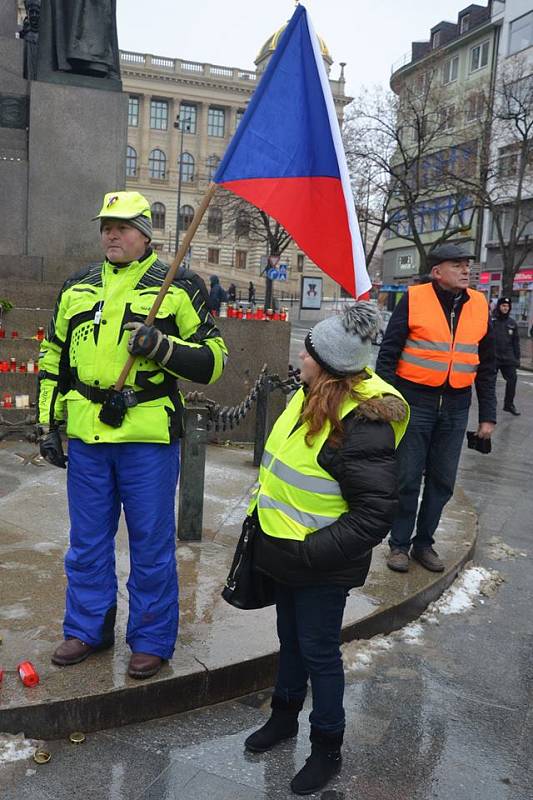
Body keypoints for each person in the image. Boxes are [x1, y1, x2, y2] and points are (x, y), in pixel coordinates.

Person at [38, 191, 227, 679]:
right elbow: (53, 359)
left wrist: (163, 348)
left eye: (122, 226)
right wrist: (48, 423)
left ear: (145, 233)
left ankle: (151, 639)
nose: (111, 234)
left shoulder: (178, 284)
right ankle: (88, 629)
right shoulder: (77, 286)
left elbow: (214, 361)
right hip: (87, 438)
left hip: (148, 439)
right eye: (106, 225)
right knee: (87, 543)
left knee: (150, 543)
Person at [243, 303, 409, 795]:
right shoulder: (310, 395)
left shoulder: (362, 423)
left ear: (330, 364)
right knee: (291, 641)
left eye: (308, 350)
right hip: (286, 553)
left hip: (319, 562)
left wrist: (313, 553)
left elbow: (376, 513)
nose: (300, 354)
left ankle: (326, 748)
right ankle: (284, 719)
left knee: (319, 652)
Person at [376, 242, 496, 574]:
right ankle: (399, 544)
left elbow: (488, 365)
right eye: (457, 264)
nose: (465, 270)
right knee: (407, 478)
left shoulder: (479, 305)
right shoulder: (414, 299)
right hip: (415, 402)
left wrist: (488, 416)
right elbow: (388, 354)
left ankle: (423, 543)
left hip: (457, 405)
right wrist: (387, 398)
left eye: (467, 264)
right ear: (437, 271)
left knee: (442, 480)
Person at [492, 297, 521, 416]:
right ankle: (490, 405)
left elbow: (516, 342)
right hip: (493, 357)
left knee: (512, 380)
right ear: (499, 306)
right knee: (490, 383)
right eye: (503, 306)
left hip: (508, 358)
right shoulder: (492, 321)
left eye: (507, 306)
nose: (505, 308)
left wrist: (517, 359)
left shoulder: (512, 323)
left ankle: (509, 404)